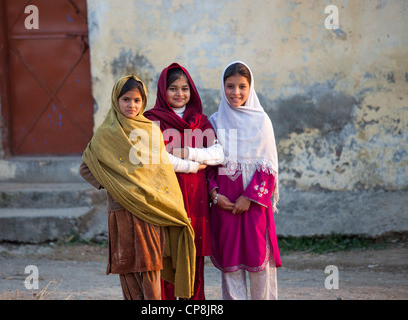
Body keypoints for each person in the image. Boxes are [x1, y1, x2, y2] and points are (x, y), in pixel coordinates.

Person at [79, 75, 196, 300]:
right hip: (120, 210)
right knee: (127, 266)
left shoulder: (150, 130)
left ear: (143, 102)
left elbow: (160, 171)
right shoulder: (105, 133)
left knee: (151, 265)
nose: (131, 105)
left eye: (137, 100)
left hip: (148, 211)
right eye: (125, 99)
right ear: (116, 100)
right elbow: (86, 167)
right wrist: (114, 185)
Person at [144, 63, 224, 300]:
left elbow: (219, 154)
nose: (180, 94)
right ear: (162, 91)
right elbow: (157, 160)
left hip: (197, 201)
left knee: (195, 261)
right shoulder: (151, 121)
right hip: (167, 200)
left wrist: (186, 152)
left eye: (185, 88)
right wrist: (195, 165)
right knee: (167, 258)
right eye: (173, 89)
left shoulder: (200, 121)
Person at [208, 61, 281, 300]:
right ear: (223, 87)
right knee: (231, 265)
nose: (235, 92)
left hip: (254, 206)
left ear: (250, 88)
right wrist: (215, 195)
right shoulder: (215, 122)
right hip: (225, 205)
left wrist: (249, 198)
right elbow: (208, 167)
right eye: (230, 86)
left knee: (259, 261)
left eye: (242, 86)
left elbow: (268, 167)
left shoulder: (262, 122)